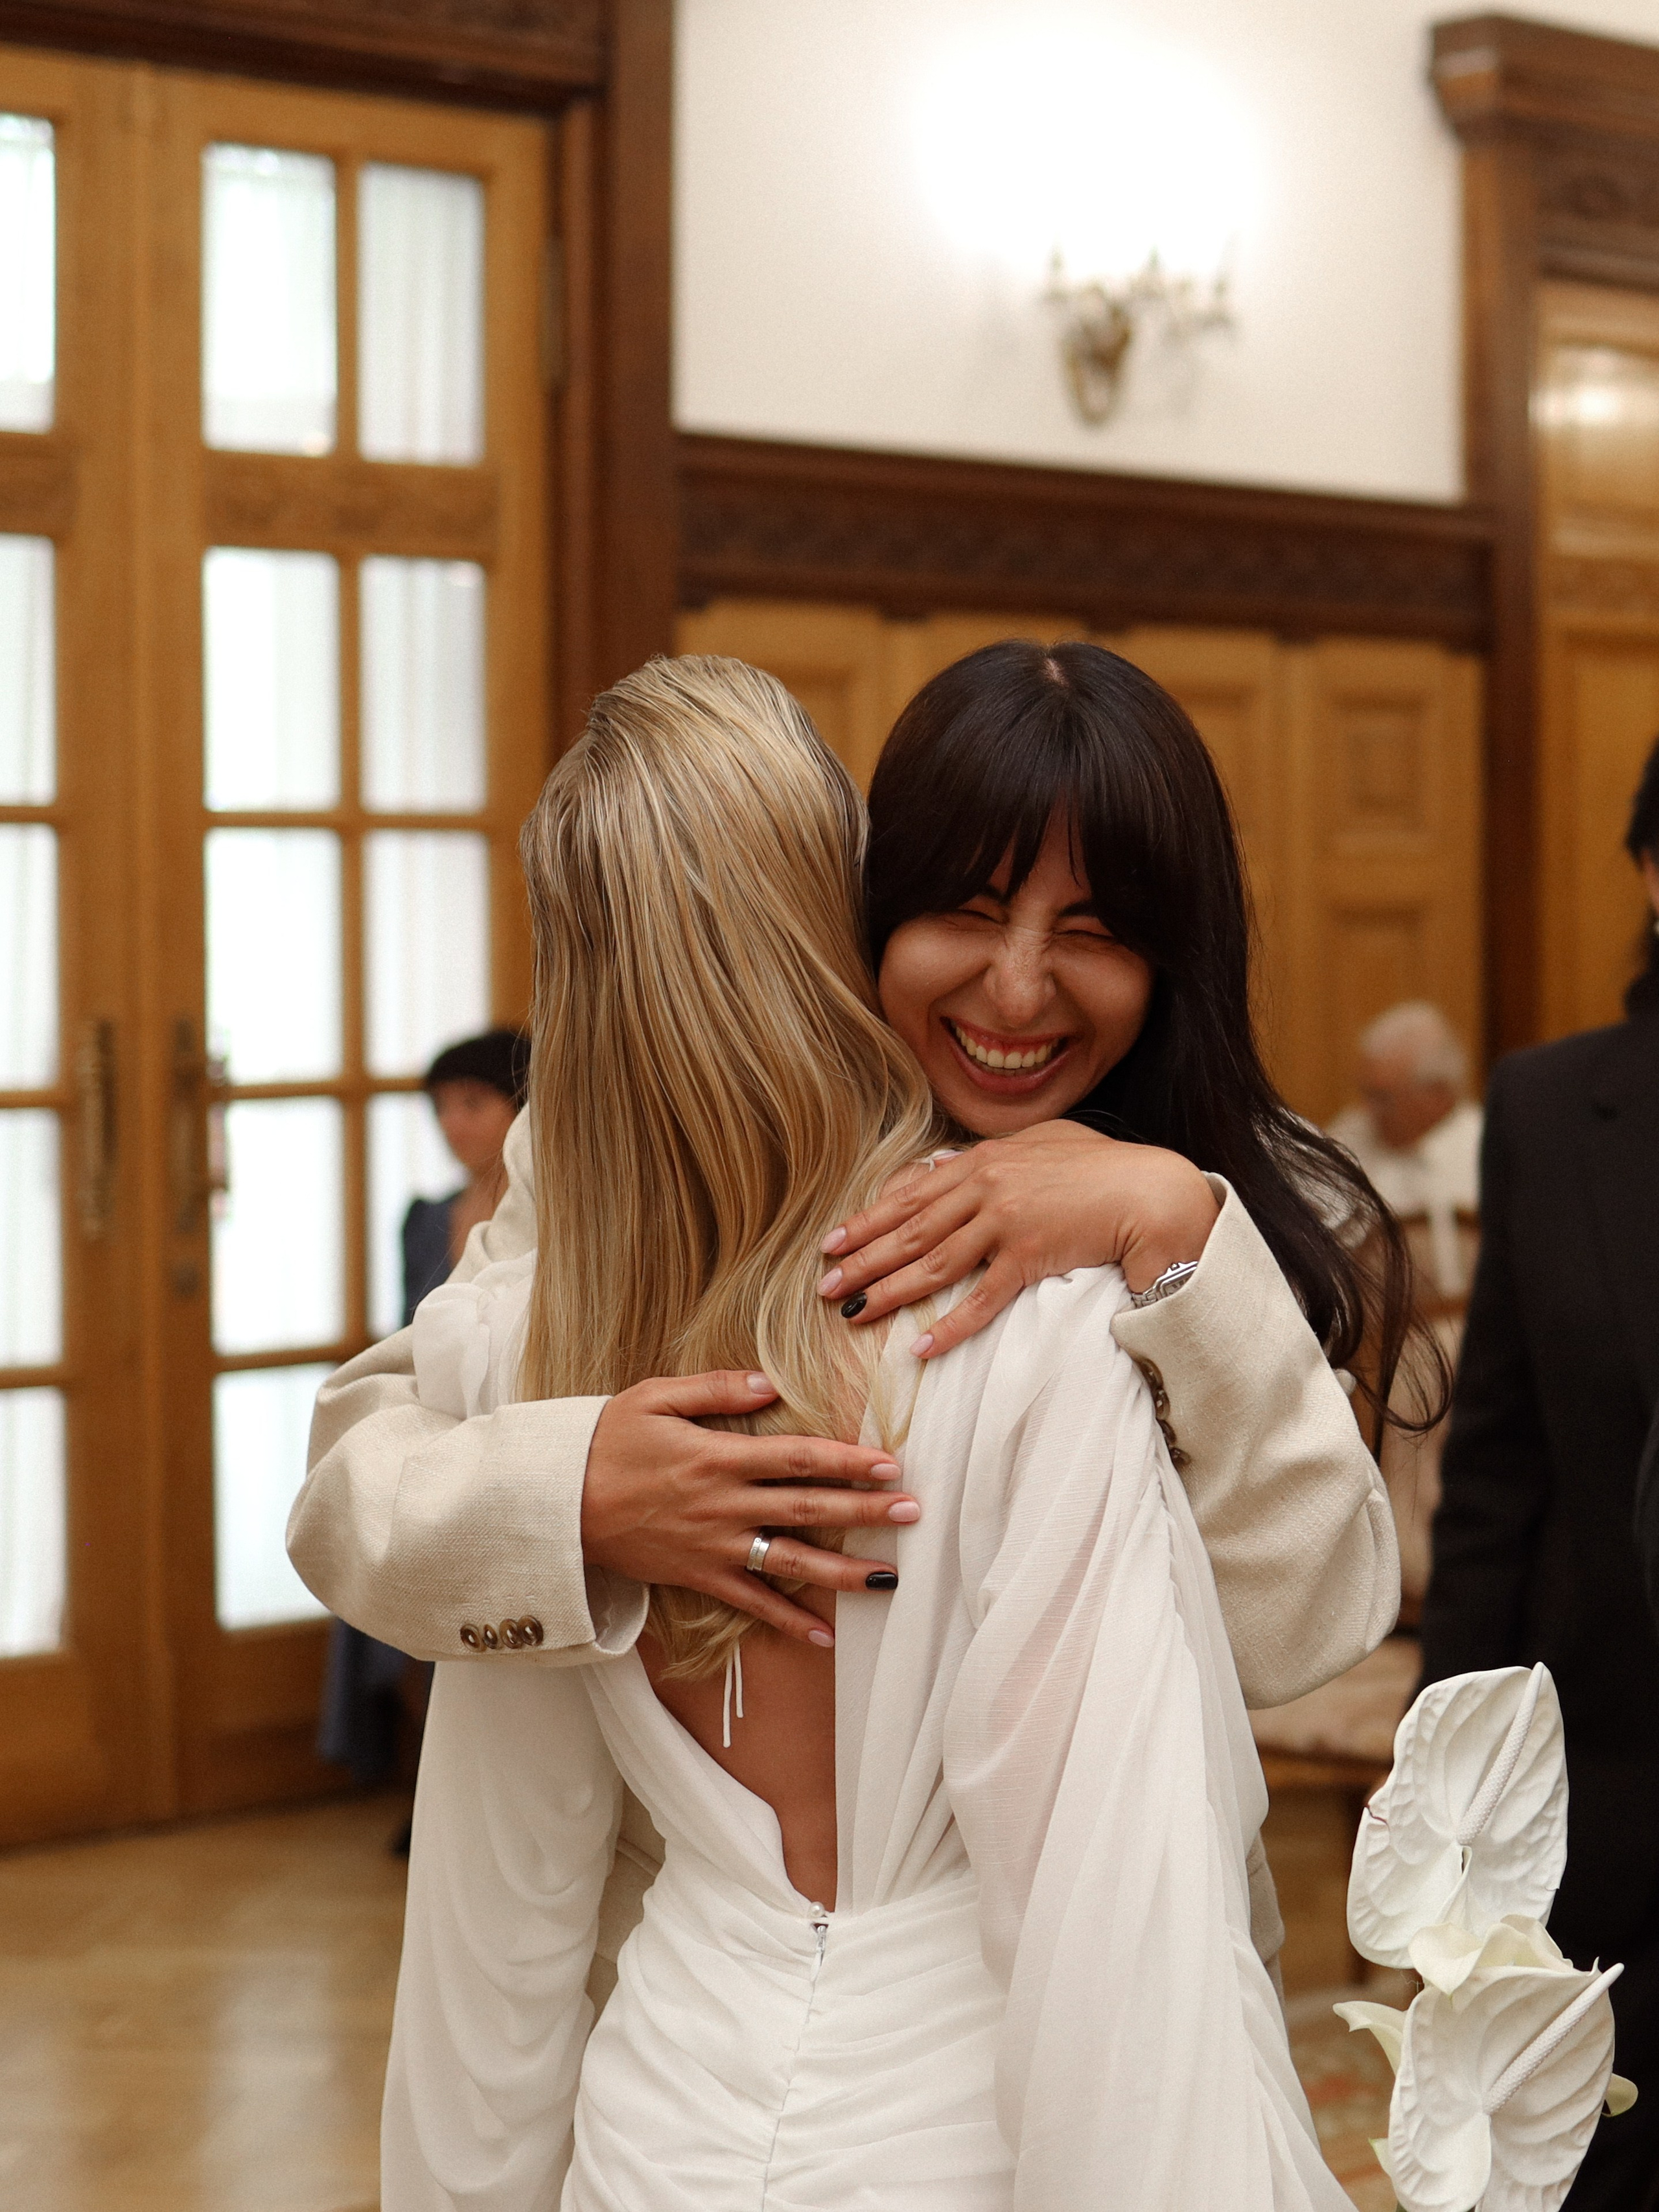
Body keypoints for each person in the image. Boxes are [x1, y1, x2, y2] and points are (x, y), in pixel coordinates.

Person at [380, 654, 1352, 2207]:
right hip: (969, 2119)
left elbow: (498, 1918)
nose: (1016, 990)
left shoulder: (531, 1350)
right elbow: (1100, 1927)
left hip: (656, 2129)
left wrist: (1167, 1216)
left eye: (1090, 935)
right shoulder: (1020, 1334)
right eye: (963, 912)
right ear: (842, 915)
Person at [1421, 734, 1659, 2212]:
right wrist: (1447, 1815)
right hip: (1606, 1804)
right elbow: (1492, 1484)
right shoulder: (1552, 1111)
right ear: (1647, 869)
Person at [1328, 1000, 1482, 1611]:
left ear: (1439, 1095)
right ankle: (1402, 1578)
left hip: (1467, 1326)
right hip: (1372, 1337)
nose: (1369, 1111)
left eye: (1384, 1097)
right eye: (1366, 1093)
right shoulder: (1349, 1142)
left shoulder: (1487, 1143)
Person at [400, 1027, 530, 1325]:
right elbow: (406, 1334)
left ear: (522, 1107)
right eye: (440, 1106)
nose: (450, 1123)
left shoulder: (558, 1215)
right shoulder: (424, 1220)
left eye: (473, 1103)